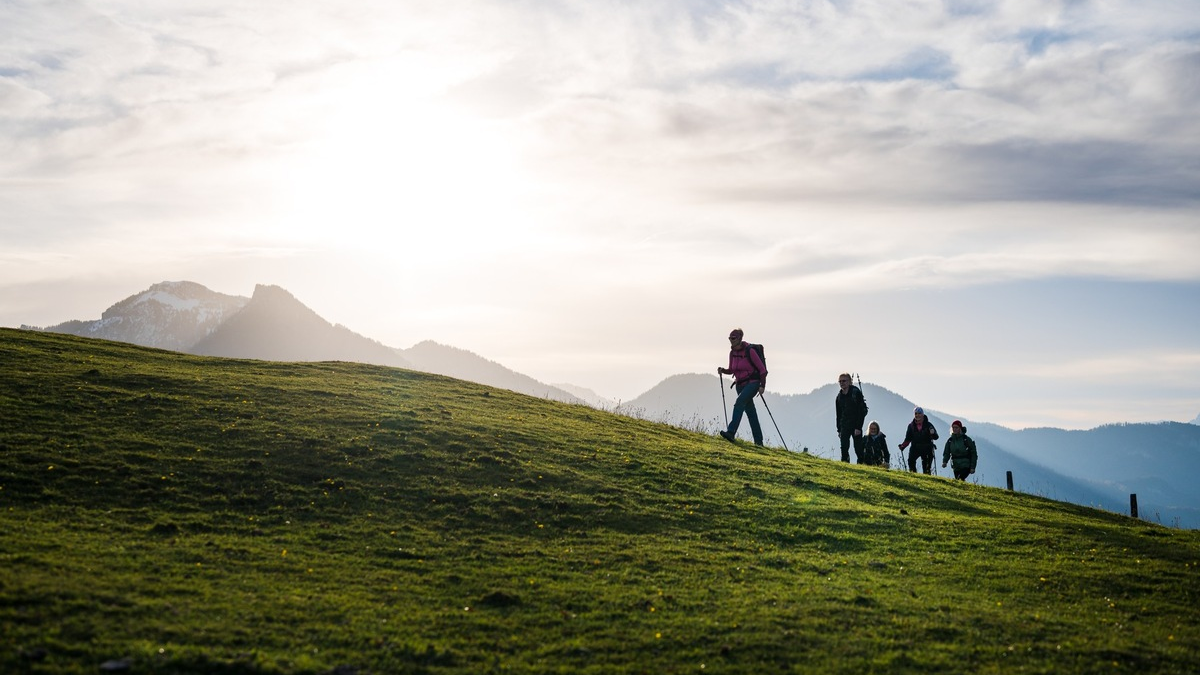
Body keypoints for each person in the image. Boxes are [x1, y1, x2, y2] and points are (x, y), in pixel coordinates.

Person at [717, 328, 766, 446]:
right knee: (751, 413)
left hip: (753, 384)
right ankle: (758, 442)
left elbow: (763, 370)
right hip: (739, 385)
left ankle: (731, 432)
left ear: (739, 338)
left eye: (733, 338)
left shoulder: (750, 351)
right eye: (730, 338)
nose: (731, 340)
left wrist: (762, 386)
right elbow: (732, 370)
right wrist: (723, 370)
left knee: (739, 403)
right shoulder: (732, 353)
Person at [835, 373, 868, 463]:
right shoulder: (839, 397)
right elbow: (838, 414)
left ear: (850, 382)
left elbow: (861, 411)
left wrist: (858, 427)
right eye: (840, 381)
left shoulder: (856, 393)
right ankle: (844, 464)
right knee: (844, 447)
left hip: (855, 425)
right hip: (844, 425)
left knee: (858, 448)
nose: (842, 383)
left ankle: (862, 465)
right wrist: (839, 429)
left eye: (844, 381)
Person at [898, 407, 939, 474]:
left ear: (923, 414)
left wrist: (933, 433)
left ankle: (926, 480)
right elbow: (908, 439)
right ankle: (914, 476)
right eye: (916, 413)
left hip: (927, 448)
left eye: (919, 413)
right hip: (915, 447)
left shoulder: (929, 425)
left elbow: (936, 437)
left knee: (926, 468)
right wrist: (903, 446)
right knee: (911, 462)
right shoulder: (911, 426)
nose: (917, 415)